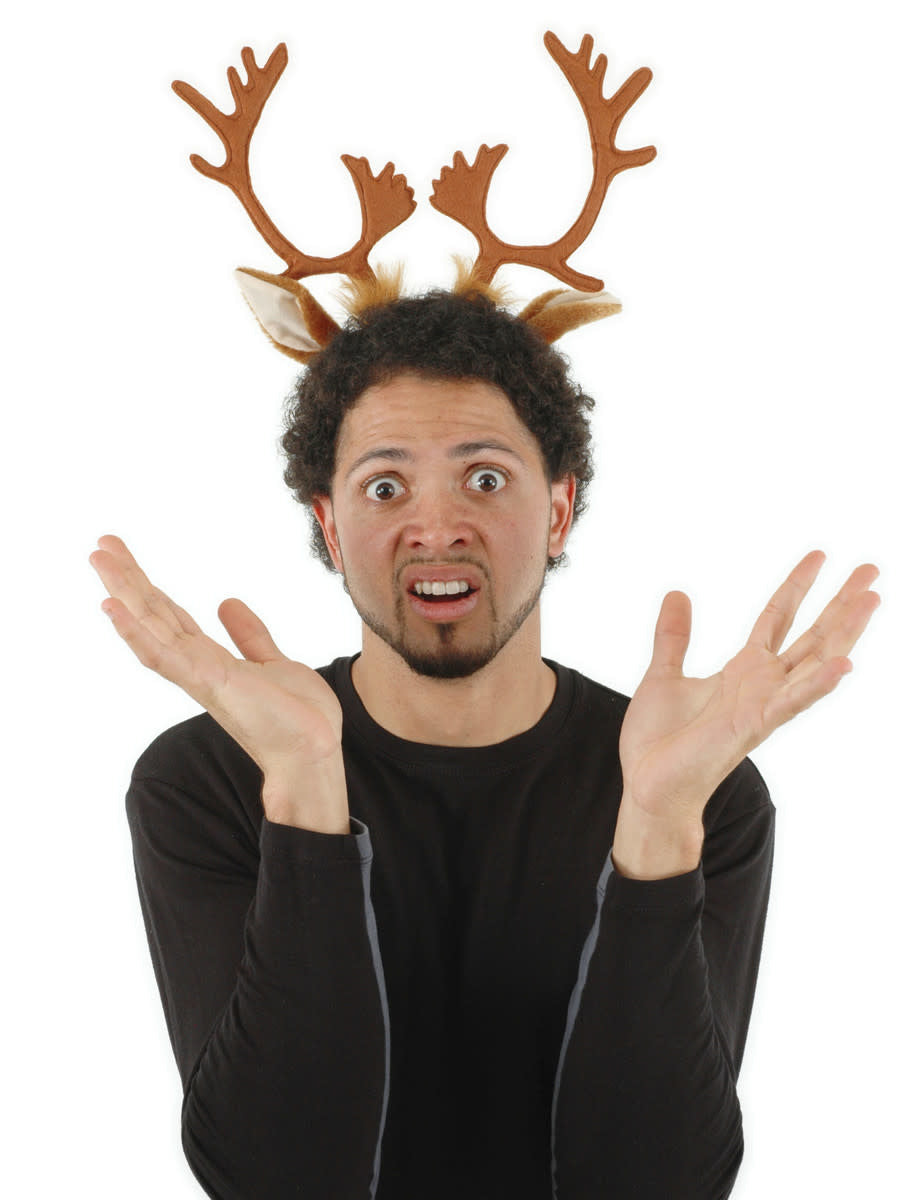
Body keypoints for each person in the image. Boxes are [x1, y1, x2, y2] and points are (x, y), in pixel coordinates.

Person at [90, 34, 881, 1200]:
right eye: (383, 485)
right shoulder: (209, 781)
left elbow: (657, 1184)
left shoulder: (700, 787)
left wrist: (657, 826)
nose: (437, 524)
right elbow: (274, 1176)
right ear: (325, 518)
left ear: (559, 509)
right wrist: (307, 795)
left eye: (487, 477)